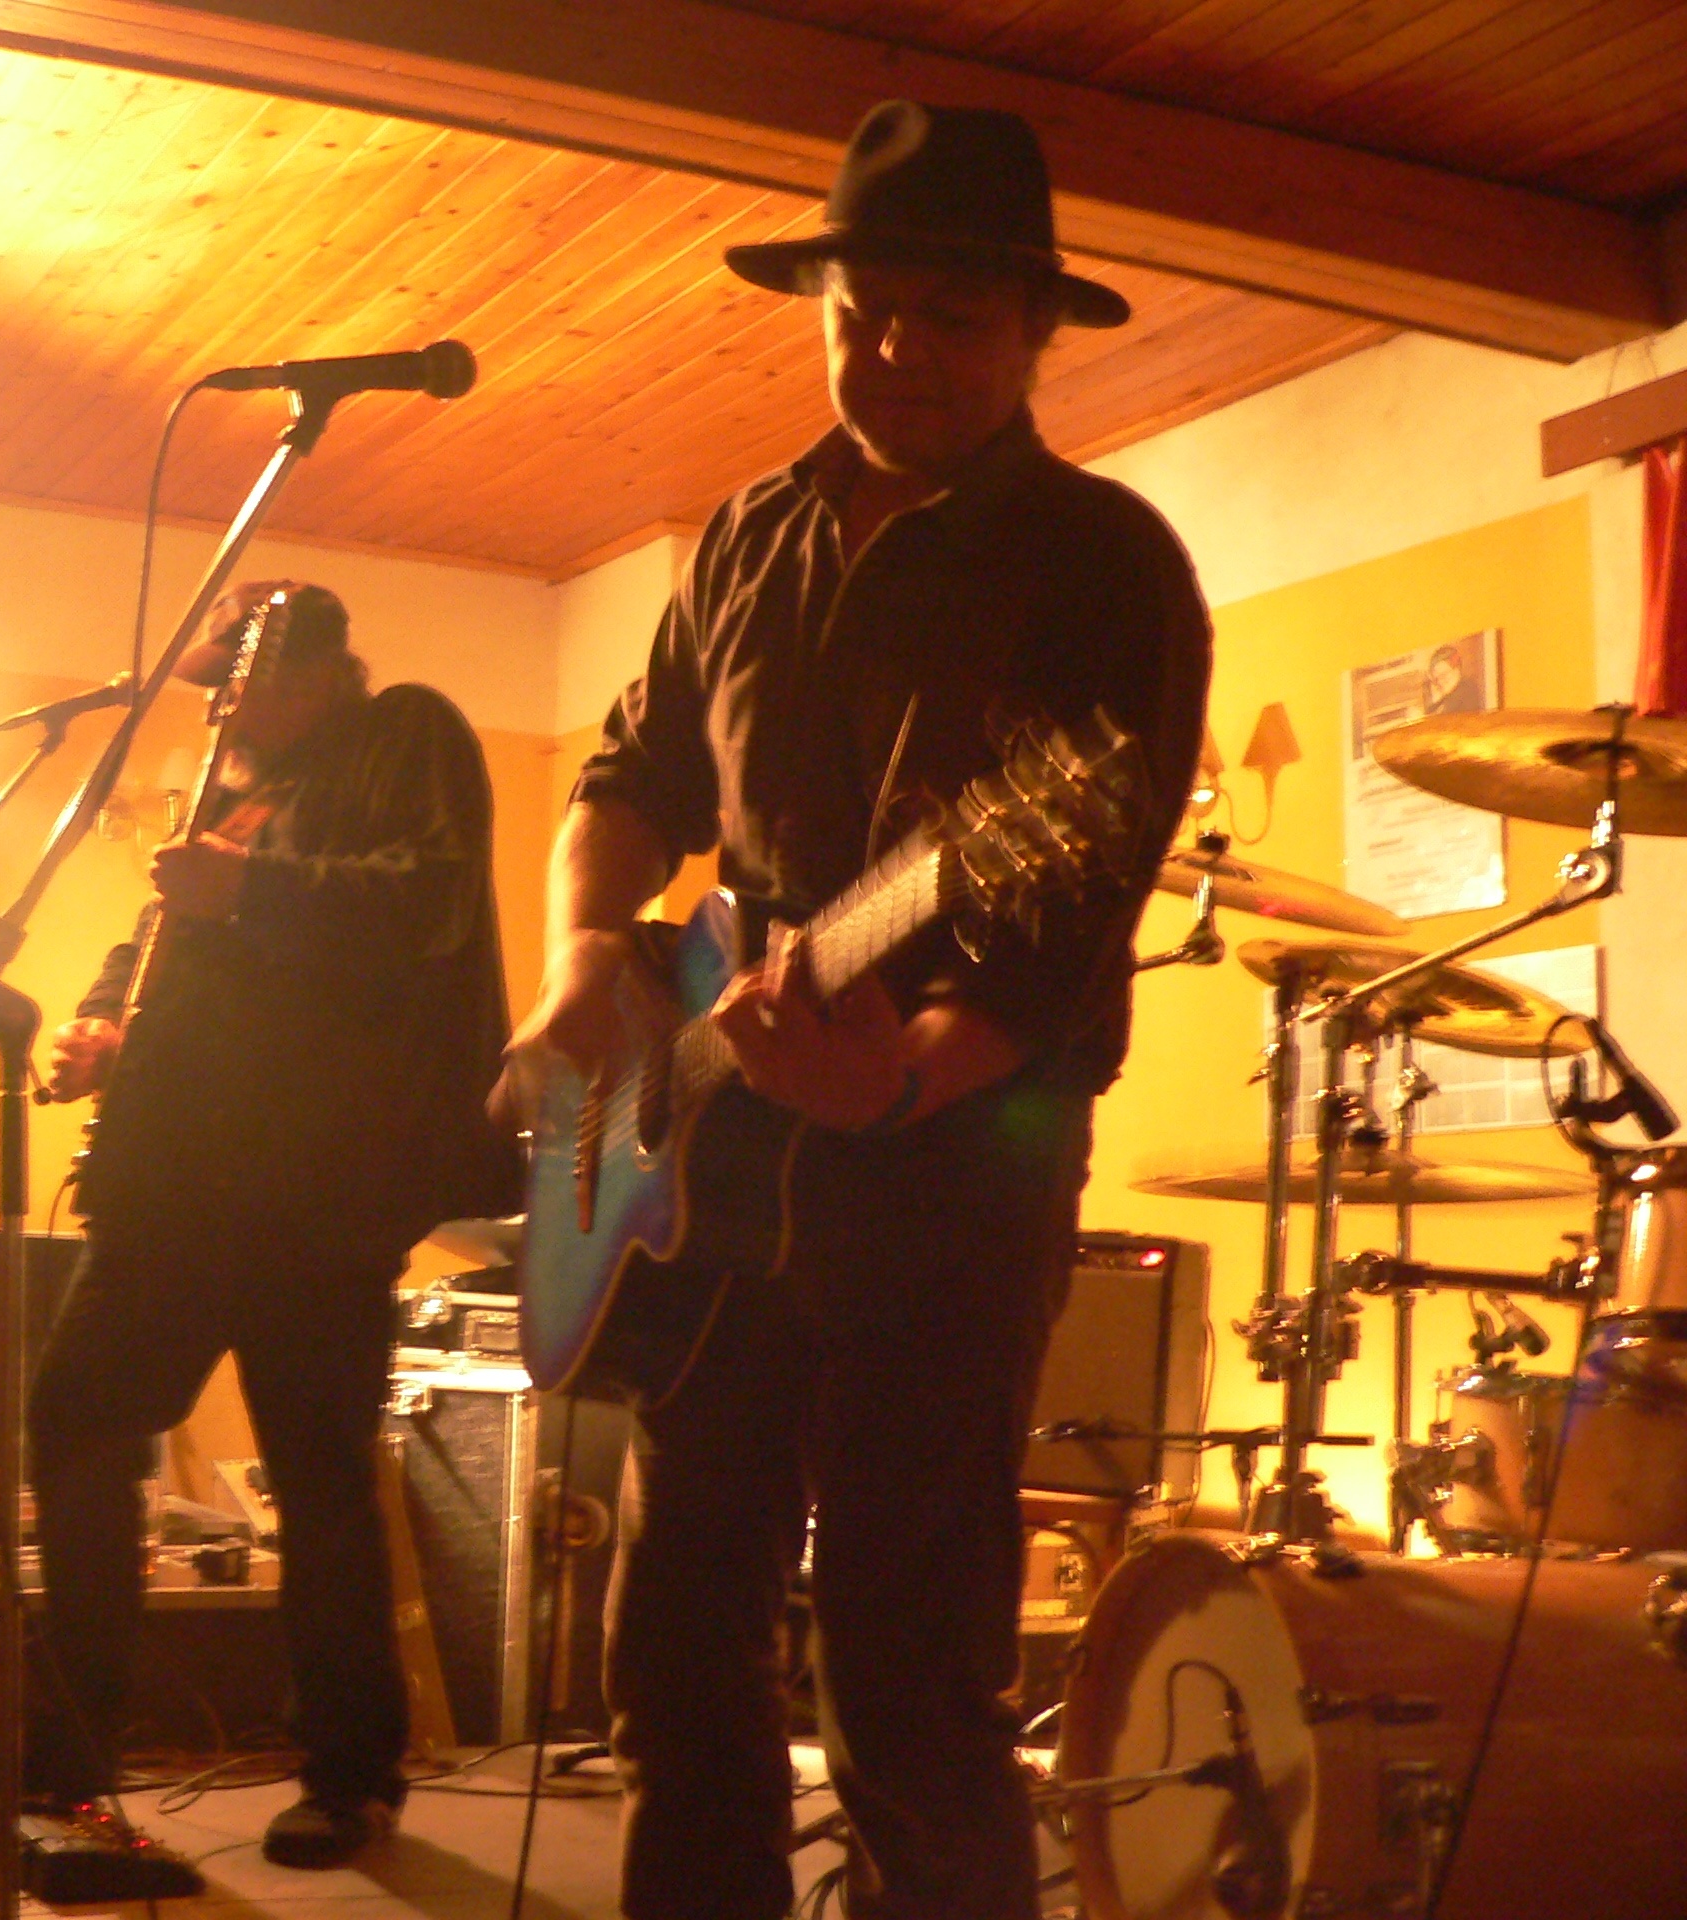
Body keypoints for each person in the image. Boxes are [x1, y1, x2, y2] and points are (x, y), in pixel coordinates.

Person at [506, 103, 1211, 1920]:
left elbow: (1062, 929)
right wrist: (582, 954)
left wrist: (901, 1084)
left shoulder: (1105, 563)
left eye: (948, 319)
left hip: (950, 1181)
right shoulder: (748, 532)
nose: (894, 352)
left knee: (909, 1680)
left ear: (1036, 330)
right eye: (861, 312)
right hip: (717, 1183)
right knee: (676, 1655)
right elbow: (631, 778)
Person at [7, 581, 511, 1868]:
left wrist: (249, 887)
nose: (226, 713)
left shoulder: (404, 735)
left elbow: (430, 901)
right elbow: (162, 935)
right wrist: (105, 1024)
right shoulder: (234, 797)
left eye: (245, 685)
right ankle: (65, 1746)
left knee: (318, 1480)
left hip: (314, 1196)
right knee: (75, 1419)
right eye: (217, 691)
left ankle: (350, 1779)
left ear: (323, 671)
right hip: (178, 1189)